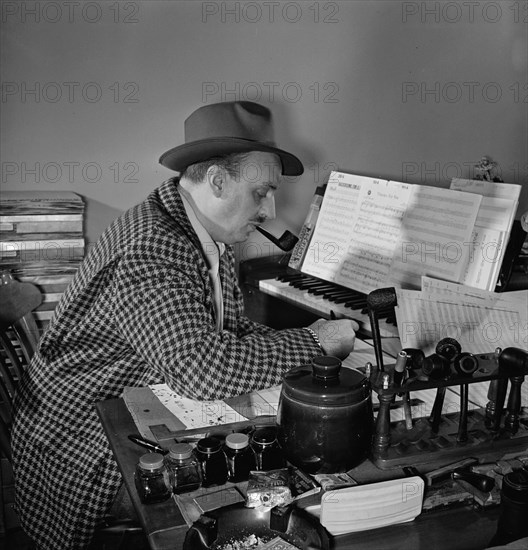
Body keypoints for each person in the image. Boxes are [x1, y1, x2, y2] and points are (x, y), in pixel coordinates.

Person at [11, 101, 358, 549]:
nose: (270, 210)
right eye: (261, 193)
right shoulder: (155, 246)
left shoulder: (198, 227)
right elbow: (201, 369)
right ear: (217, 180)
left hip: (119, 412)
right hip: (81, 449)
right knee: (275, 483)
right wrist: (316, 341)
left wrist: (310, 342)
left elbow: (226, 332)